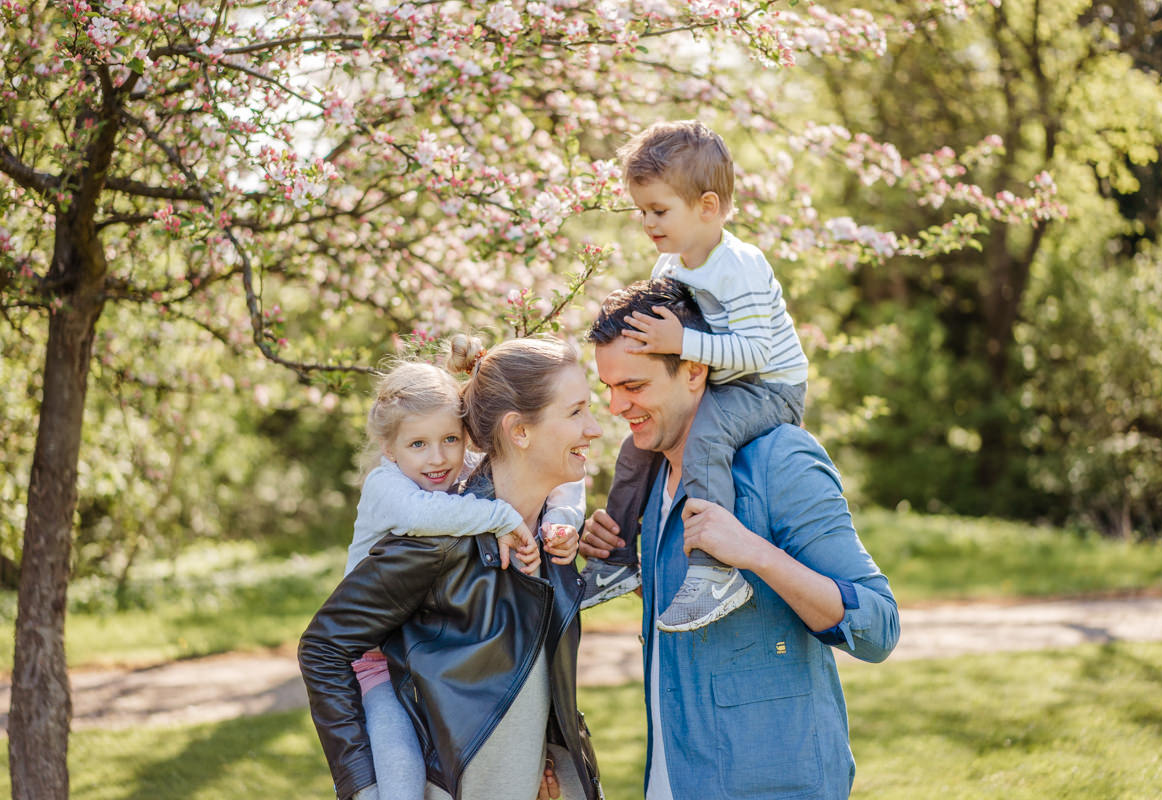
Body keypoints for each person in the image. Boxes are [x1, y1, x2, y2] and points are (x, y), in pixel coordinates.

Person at [581, 279, 899, 799]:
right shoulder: (651, 480)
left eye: (633, 387)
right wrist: (631, 572)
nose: (616, 407)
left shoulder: (781, 460)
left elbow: (879, 627)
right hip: (673, 781)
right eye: (609, 388)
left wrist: (753, 553)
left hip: (775, 784)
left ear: (694, 369)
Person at [299, 335, 606, 800]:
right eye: (576, 411)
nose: (596, 428)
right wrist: (363, 786)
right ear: (519, 432)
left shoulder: (549, 533)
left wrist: (541, 756)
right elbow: (323, 649)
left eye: (448, 440)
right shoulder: (438, 540)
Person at [578, 120, 810, 633]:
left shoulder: (739, 265)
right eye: (641, 211)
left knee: (705, 436)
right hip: (720, 379)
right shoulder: (670, 266)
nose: (647, 222)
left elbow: (757, 351)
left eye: (659, 210)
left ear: (707, 206)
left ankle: (714, 568)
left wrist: (681, 343)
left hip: (769, 386)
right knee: (634, 450)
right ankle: (615, 558)